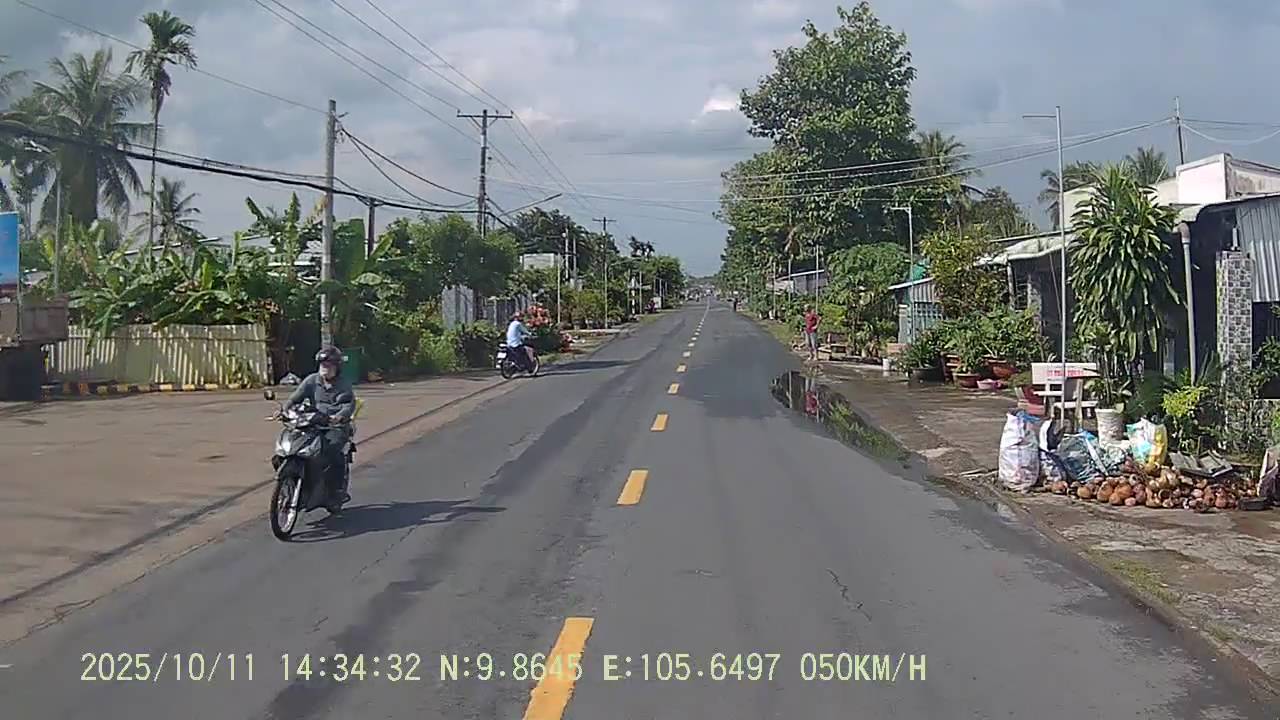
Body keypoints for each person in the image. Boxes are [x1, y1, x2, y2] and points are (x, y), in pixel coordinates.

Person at [284, 346, 356, 508]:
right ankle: (291, 481)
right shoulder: (311, 380)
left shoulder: (343, 384)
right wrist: (285, 409)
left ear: (337, 367)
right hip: (312, 423)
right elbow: (294, 399)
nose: (325, 368)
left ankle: (336, 491)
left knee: (332, 453)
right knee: (288, 448)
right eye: (323, 365)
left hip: (335, 427)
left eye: (329, 365)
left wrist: (339, 417)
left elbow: (348, 405)